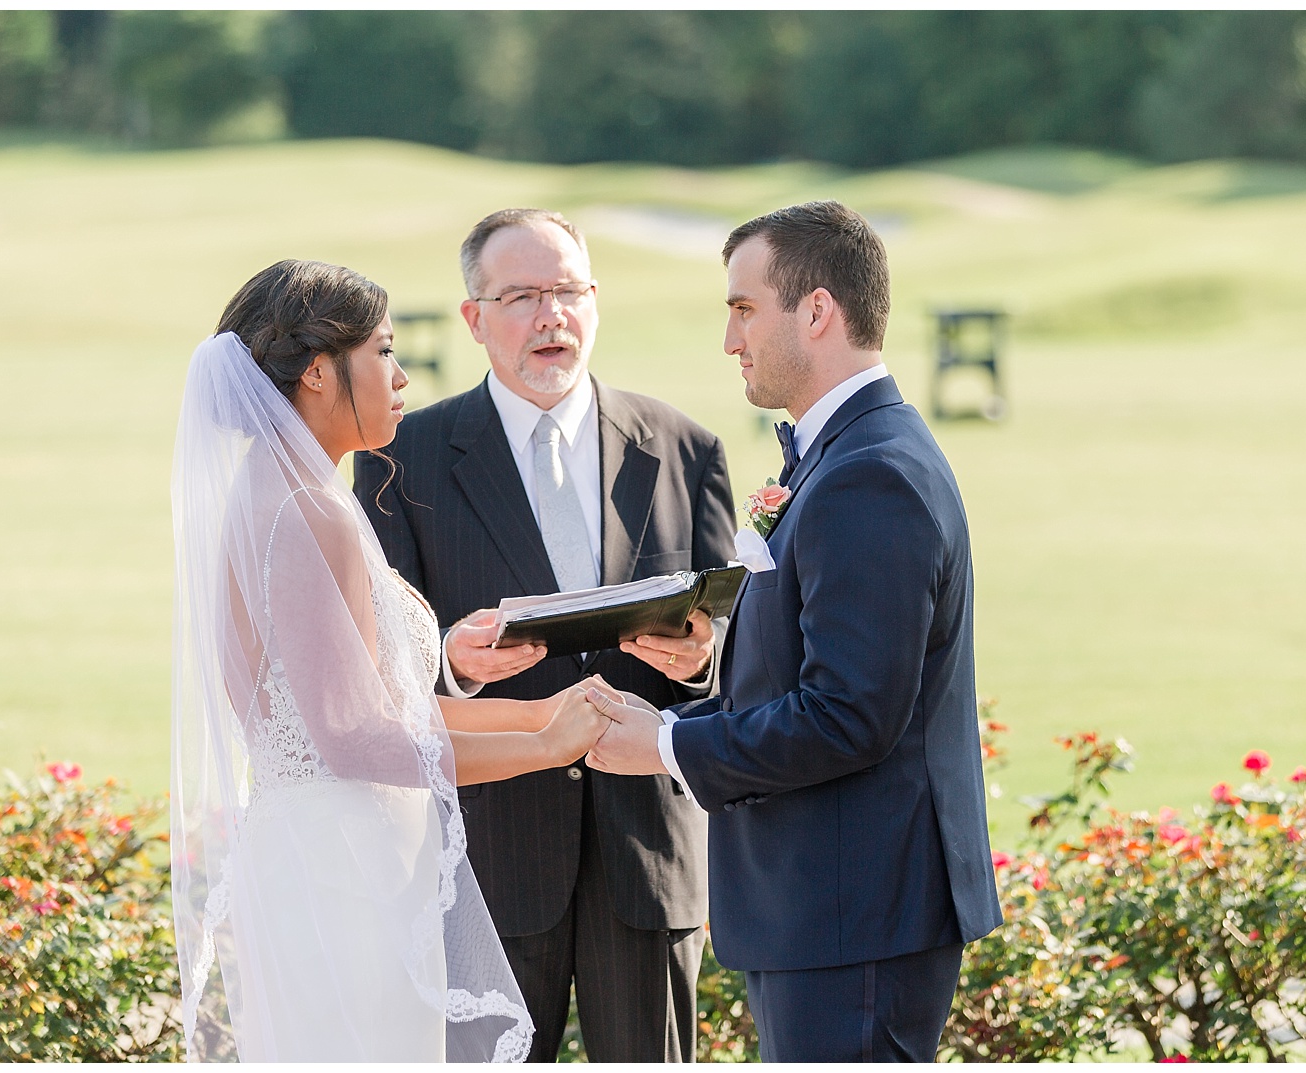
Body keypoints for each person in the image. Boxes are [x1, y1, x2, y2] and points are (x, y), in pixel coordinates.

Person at [588, 201, 1005, 1062]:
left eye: (743, 309)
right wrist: (705, 668)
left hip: (856, 916)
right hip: (834, 911)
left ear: (817, 311)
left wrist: (665, 742)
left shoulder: (871, 474)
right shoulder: (836, 455)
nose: (730, 340)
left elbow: (849, 714)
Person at [169, 259, 615, 1062]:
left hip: (340, 856)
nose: (403, 375)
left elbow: (391, 707)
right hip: (345, 871)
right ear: (316, 372)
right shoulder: (306, 510)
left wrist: (547, 711)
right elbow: (352, 737)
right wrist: (546, 747)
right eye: (382, 352)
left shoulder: (285, 492)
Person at [352, 209, 737, 1062]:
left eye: (566, 291)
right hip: (487, 859)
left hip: (648, 854)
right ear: (474, 317)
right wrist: (449, 658)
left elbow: (737, 652)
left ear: (595, 301)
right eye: (521, 295)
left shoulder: (686, 447)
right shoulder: (400, 458)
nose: (549, 315)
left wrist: (703, 657)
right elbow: (370, 662)